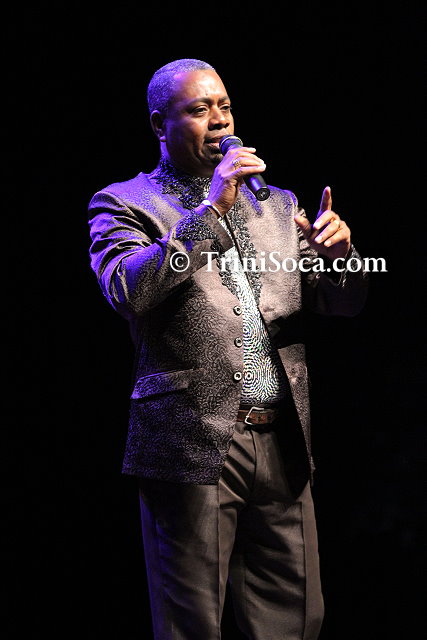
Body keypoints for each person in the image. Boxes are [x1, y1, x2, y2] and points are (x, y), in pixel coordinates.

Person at [88, 58, 368, 640]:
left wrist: (340, 257)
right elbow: (128, 290)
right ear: (159, 125)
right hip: (192, 436)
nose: (219, 120)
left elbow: (340, 303)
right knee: (191, 624)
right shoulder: (125, 202)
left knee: (297, 619)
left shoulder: (276, 204)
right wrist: (210, 212)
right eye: (199, 109)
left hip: (283, 437)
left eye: (225, 106)